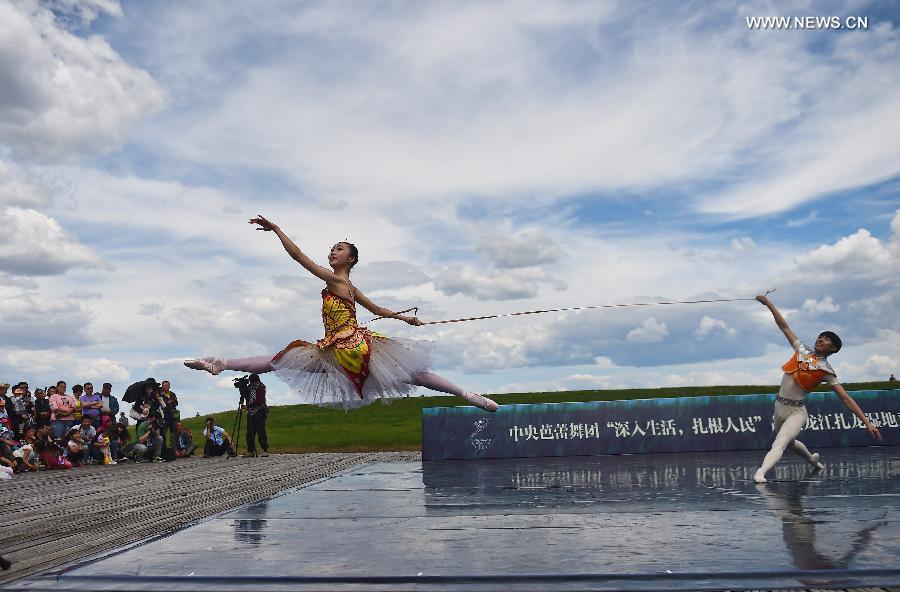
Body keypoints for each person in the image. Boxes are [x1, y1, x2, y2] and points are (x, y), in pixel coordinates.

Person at [185, 215, 498, 412]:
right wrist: (405, 318)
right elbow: (376, 309)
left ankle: (467, 394)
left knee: (277, 360)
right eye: (332, 248)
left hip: (352, 347)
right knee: (277, 360)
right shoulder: (346, 284)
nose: (332, 252)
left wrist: (277, 230)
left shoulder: (337, 279)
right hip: (335, 347)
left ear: (349, 259)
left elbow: (298, 257)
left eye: (339, 249)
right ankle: (220, 364)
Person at [753, 294, 882, 483]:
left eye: (827, 339)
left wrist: (867, 422)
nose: (821, 339)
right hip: (779, 407)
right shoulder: (801, 350)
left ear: (834, 349)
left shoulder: (827, 371)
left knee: (780, 442)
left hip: (796, 411)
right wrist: (769, 304)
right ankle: (812, 459)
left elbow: (846, 399)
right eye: (821, 336)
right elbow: (784, 326)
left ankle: (761, 472)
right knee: (789, 443)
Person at [242, 374, 269, 457]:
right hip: (251, 412)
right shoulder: (250, 387)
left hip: (259, 411)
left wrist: (248, 406)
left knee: (261, 432)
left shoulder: (261, 386)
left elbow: (259, 400)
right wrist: (242, 388)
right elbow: (246, 396)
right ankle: (251, 451)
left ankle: (265, 450)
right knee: (250, 432)